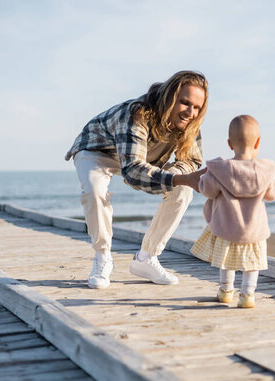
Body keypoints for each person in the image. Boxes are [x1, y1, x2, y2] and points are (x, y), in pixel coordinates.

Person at [65, 71, 208, 289]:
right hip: (97, 150)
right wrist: (179, 178)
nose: (191, 112)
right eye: (185, 103)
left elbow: (192, 161)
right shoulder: (137, 113)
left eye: (197, 107)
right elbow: (132, 171)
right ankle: (103, 257)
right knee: (94, 190)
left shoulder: (189, 123)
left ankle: (146, 258)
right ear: (170, 97)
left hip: (138, 156)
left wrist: (181, 176)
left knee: (183, 189)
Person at [190, 115, 275, 308]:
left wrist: (204, 178)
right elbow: (273, 194)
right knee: (252, 264)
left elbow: (206, 190)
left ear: (230, 144)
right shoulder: (265, 171)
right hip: (254, 230)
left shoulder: (220, 169)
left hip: (226, 226)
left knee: (227, 261)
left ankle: (225, 290)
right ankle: (248, 294)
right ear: (258, 142)